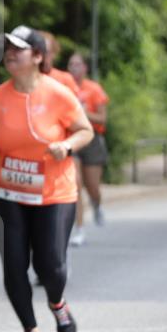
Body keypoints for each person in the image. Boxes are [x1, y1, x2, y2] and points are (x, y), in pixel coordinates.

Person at [0, 25, 94, 332]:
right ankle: (30, 328)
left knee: (51, 264)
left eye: (19, 48)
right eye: (7, 48)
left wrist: (67, 145)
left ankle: (58, 303)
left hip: (54, 194)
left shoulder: (58, 93)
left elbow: (86, 131)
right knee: (14, 264)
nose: (10, 53)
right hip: (10, 194)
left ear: (38, 56)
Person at [66, 52, 110, 246]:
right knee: (75, 185)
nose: (74, 68)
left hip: (92, 138)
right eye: (71, 64)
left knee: (92, 186)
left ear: (85, 68)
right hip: (72, 138)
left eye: (77, 64)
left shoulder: (94, 89)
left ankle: (97, 203)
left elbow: (102, 119)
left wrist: (85, 113)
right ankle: (80, 229)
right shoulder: (64, 88)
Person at [40, 30, 80, 95]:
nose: (42, 56)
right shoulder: (26, 79)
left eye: (46, 52)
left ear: (54, 53)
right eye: (39, 52)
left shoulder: (65, 79)